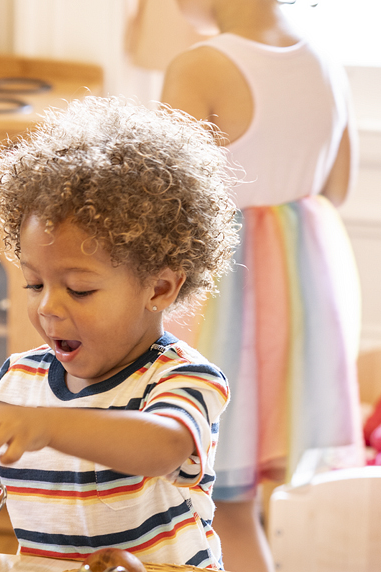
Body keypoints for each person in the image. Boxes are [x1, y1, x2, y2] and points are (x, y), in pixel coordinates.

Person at [0, 96, 241, 569]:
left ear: (158, 288)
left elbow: (162, 447)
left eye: (79, 289)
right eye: (34, 283)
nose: (47, 307)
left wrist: (44, 426)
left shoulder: (184, 379)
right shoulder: (20, 380)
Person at [160, 1, 364, 571]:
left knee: (226, 507)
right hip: (306, 289)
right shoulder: (325, 59)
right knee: (257, 496)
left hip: (230, 298)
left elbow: (167, 204)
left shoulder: (200, 67)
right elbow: (337, 187)